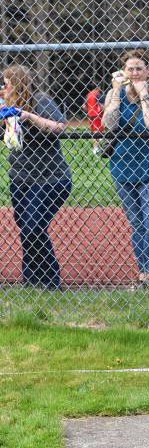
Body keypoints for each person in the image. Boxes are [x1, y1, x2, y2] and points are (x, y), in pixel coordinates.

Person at [102, 49, 149, 290]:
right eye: (129, 69)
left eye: (139, 68)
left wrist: (143, 98)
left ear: (147, 71)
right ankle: (144, 276)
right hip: (122, 168)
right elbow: (108, 125)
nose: (134, 73)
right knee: (137, 225)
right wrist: (117, 93)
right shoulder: (114, 93)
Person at [3, 65, 70, 289]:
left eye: (7, 83)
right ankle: (32, 279)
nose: (4, 87)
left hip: (51, 178)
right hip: (20, 178)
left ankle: (51, 280)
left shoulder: (40, 101)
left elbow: (59, 127)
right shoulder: (6, 106)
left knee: (33, 226)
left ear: (18, 83)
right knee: (27, 228)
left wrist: (28, 116)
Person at [85, 85, 105, 155]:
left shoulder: (88, 95)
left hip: (90, 115)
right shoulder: (98, 95)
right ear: (98, 88)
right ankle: (96, 148)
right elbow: (102, 106)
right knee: (99, 132)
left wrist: (89, 110)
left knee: (94, 132)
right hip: (98, 115)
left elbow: (84, 106)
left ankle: (96, 148)